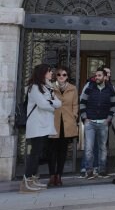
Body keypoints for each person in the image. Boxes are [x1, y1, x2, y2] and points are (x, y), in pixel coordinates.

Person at [20, 64, 62, 193]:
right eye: (49, 72)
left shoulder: (47, 87)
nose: (51, 74)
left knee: (38, 153)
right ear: (43, 73)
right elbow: (43, 104)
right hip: (37, 125)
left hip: (44, 125)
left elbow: (59, 103)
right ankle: (26, 181)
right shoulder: (34, 87)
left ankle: (32, 179)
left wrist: (51, 103)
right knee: (35, 154)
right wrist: (51, 104)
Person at [79, 66, 115, 179]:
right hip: (90, 122)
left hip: (103, 123)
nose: (96, 77)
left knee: (103, 148)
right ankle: (89, 171)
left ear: (105, 77)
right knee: (89, 148)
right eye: (96, 75)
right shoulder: (89, 88)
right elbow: (82, 103)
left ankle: (102, 171)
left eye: (99, 75)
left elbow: (114, 105)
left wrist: (109, 119)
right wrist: (85, 118)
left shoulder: (110, 90)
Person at [49, 66, 78, 187]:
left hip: (66, 124)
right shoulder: (50, 87)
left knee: (62, 152)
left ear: (67, 76)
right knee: (51, 152)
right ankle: (52, 176)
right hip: (52, 123)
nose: (61, 77)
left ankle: (59, 176)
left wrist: (74, 116)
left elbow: (75, 104)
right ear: (56, 76)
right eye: (59, 74)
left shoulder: (73, 88)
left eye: (64, 75)